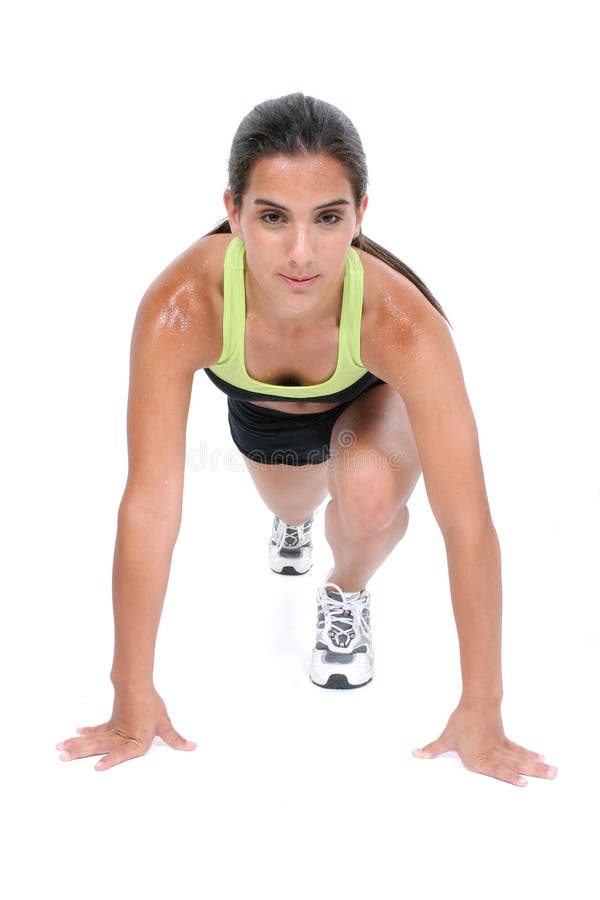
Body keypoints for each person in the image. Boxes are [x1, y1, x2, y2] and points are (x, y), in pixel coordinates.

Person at [56, 93, 557, 786]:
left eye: (327, 219)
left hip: (369, 399)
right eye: (271, 218)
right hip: (266, 417)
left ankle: (344, 591)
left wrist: (484, 706)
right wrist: (128, 688)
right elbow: (148, 507)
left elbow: (468, 523)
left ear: (360, 216)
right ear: (233, 212)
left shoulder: (404, 323)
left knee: (365, 493)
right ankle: (293, 525)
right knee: (291, 506)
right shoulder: (182, 306)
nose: (301, 253)